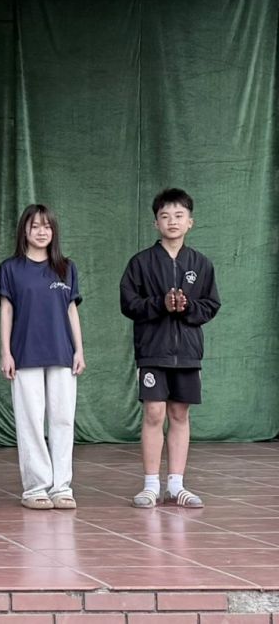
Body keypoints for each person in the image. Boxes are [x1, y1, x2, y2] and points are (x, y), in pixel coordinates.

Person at [121, 187, 219, 509]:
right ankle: (151, 485)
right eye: (165, 216)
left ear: (190, 222)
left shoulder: (201, 264)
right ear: (156, 223)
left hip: (188, 353)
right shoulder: (141, 262)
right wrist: (159, 304)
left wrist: (188, 306)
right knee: (154, 412)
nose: (172, 221)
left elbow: (211, 305)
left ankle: (176, 485)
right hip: (152, 350)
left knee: (179, 413)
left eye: (179, 215)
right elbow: (129, 303)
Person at [0, 204, 86, 510]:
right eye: (35, 226)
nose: (41, 231)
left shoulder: (66, 267)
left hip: (62, 353)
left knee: (62, 420)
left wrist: (79, 350)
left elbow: (71, 310)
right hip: (24, 353)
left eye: (46, 226)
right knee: (31, 422)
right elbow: (6, 311)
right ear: (24, 230)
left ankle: (62, 487)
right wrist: (6, 352)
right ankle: (35, 487)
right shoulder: (11, 268)